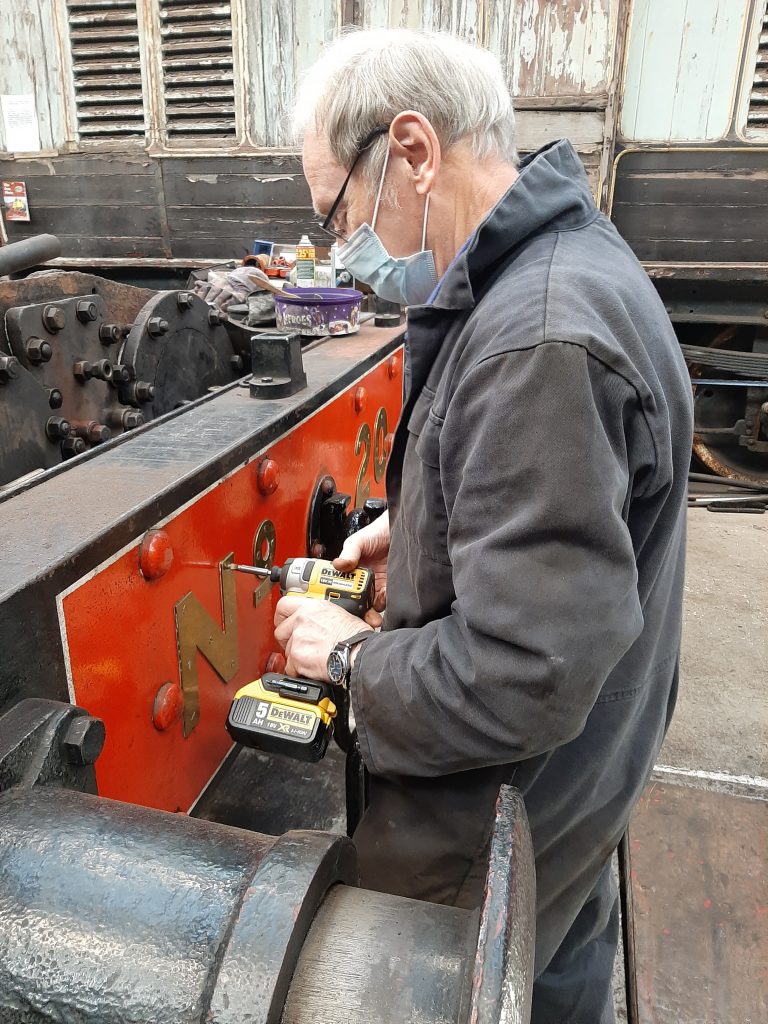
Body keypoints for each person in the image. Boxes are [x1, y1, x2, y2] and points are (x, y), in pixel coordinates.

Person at [273, 29, 693, 1024]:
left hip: (500, 816)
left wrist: (348, 662)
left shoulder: (537, 336)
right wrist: (414, 527)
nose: (342, 249)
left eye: (339, 209)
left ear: (414, 150)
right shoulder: (563, 261)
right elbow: (558, 516)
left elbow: (521, 677)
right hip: (575, 794)